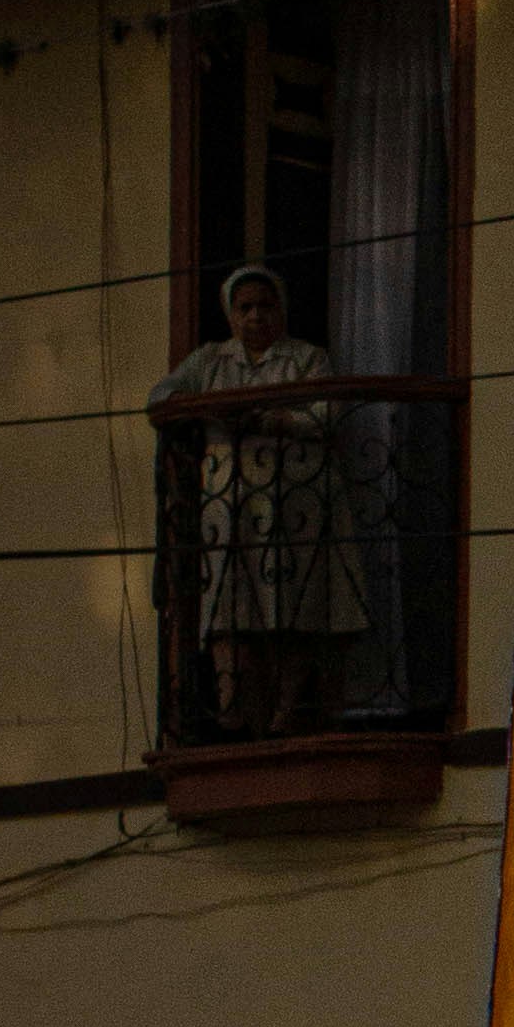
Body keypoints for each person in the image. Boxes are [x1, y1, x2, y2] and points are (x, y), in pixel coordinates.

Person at [148, 264, 363, 738]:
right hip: (232, 502)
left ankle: (287, 709)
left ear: (280, 310)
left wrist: (272, 420)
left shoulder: (306, 358)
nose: (255, 317)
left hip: (298, 504)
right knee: (230, 601)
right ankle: (234, 705)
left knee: (295, 602)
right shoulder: (210, 362)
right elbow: (160, 397)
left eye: (265, 306)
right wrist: (207, 407)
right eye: (245, 308)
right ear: (231, 314)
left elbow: (326, 414)